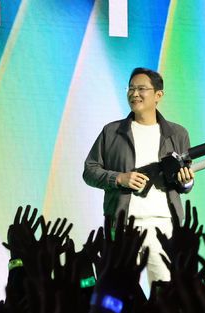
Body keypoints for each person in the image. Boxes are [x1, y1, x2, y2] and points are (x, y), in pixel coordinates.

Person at [83, 67, 194, 284]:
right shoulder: (111, 132)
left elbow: (185, 181)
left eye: (141, 89)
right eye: (131, 88)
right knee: (119, 292)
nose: (134, 94)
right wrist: (119, 178)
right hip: (121, 226)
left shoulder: (177, 133)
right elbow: (89, 171)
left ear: (158, 95)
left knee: (165, 291)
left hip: (163, 225)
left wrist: (186, 182)